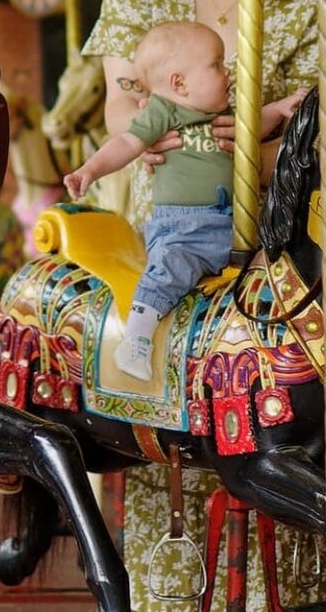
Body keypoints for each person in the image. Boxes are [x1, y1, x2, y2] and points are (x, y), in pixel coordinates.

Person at [82, 0, 324, 611]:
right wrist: (167, 124)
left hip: (274, 227)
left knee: (275, 416)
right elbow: (130, 98)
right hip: (172, 211)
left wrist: (268, 123)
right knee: (165, 406)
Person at [67, 20, 307, 382]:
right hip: (183, 227)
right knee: (169, 268)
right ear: (180, 83)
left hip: (234, 224)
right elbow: (127, 143)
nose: (227, 72)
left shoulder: (219, 112)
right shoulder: (163, 112)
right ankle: (136, 338)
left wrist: (282, 108)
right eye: (216, 64)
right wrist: (90, 171)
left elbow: (253, 125)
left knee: (273, 268)